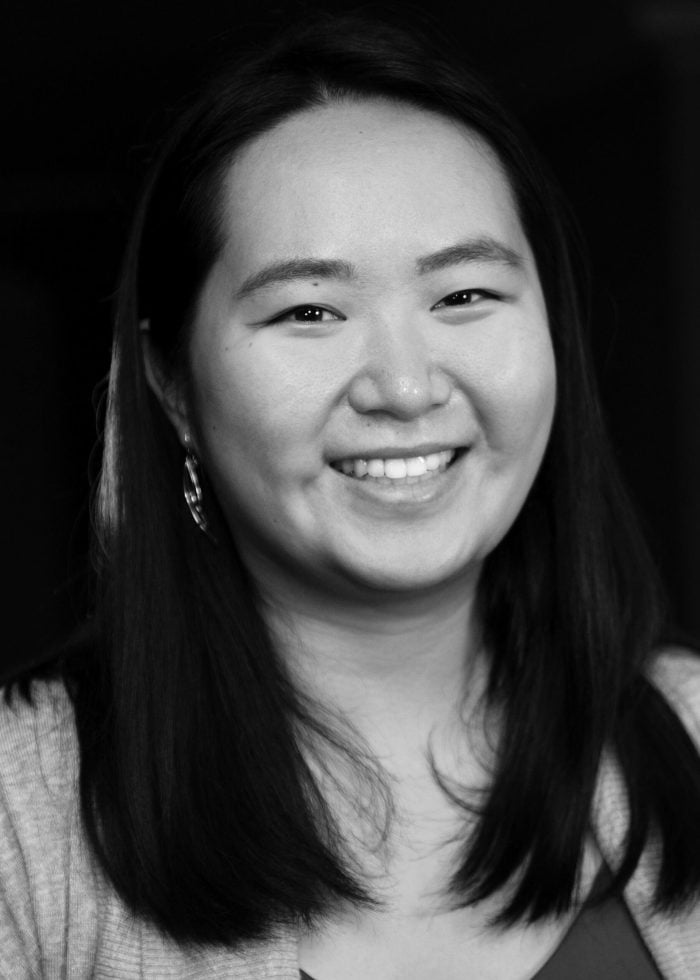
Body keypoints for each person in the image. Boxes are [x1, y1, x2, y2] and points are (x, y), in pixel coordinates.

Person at [2, 9, 700, 979]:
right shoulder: (21, 811)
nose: (405, 388)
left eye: (465, 294)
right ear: (174, 386)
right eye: (310, 310)